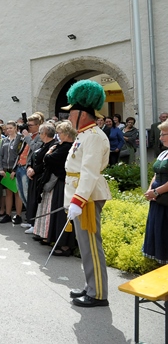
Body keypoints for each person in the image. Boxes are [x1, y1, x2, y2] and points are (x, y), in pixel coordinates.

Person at [62, 80, 111, 307]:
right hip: (83, 196)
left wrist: (78, 200)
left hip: (88, 197)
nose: (68, 117)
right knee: (85, 245)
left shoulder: (91, 136)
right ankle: (91, 286)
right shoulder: (84, 134)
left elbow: (89, 172)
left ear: (82, 113)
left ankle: (98, 294)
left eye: (71, 112)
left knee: (91, 245)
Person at [35, 121, 77, 255]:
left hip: (62, 182)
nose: (58, 135)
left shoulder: (66, 147)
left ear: (66, 133)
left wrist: (50, 152)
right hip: (59, 182)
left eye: (59, 133)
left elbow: (48, 159)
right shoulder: (63, 146)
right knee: (56, 213)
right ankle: (56, 240)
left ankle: (65, 245)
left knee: (61, 215)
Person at [142, 120, 168, 264]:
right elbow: (155, 175)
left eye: (163, 134)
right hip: (157, 198)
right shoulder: (164, 153)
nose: (160, 137)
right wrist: (150, 190)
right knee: (158, 227)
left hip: (165, 199)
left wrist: (156, 192)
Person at [25, 123, 56, 235]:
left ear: (45, 133)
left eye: (40, 132)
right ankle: (31, 221)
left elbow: (45, 162)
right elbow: (33, 156)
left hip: (41, 175)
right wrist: (29, 167)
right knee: (31, 199)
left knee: (37, 201)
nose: (39, 134)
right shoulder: (43, 144)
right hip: (34, 175)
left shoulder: (53, 145)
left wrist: (35, 170)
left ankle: (35, 224)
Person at [0, 121, 25, 224]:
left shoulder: (19, 140)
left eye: (11, 128)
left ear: (15, 128)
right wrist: (1, 168)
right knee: (8, 193)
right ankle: (8, 214)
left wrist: (15, 170)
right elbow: (0, 156)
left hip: (16, 170)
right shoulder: (4, 140)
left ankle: (18, 215)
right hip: (6, 170)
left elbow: (19, 156)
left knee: (17, 193)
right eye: (7, 128)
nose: (9, 130)